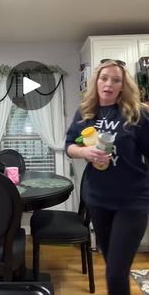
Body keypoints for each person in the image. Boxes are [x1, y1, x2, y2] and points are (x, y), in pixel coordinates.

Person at [65, 59, 149, 295]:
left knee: (116, 272)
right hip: (98, 200)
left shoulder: (137, 114)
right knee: (111, 262)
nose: (109, 84)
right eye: (104, 78)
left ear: (123, 85)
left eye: (116, 80)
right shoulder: (85, 112)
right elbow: (70, 145)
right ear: (96, 82)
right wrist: (85, 152)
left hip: (132, 202)